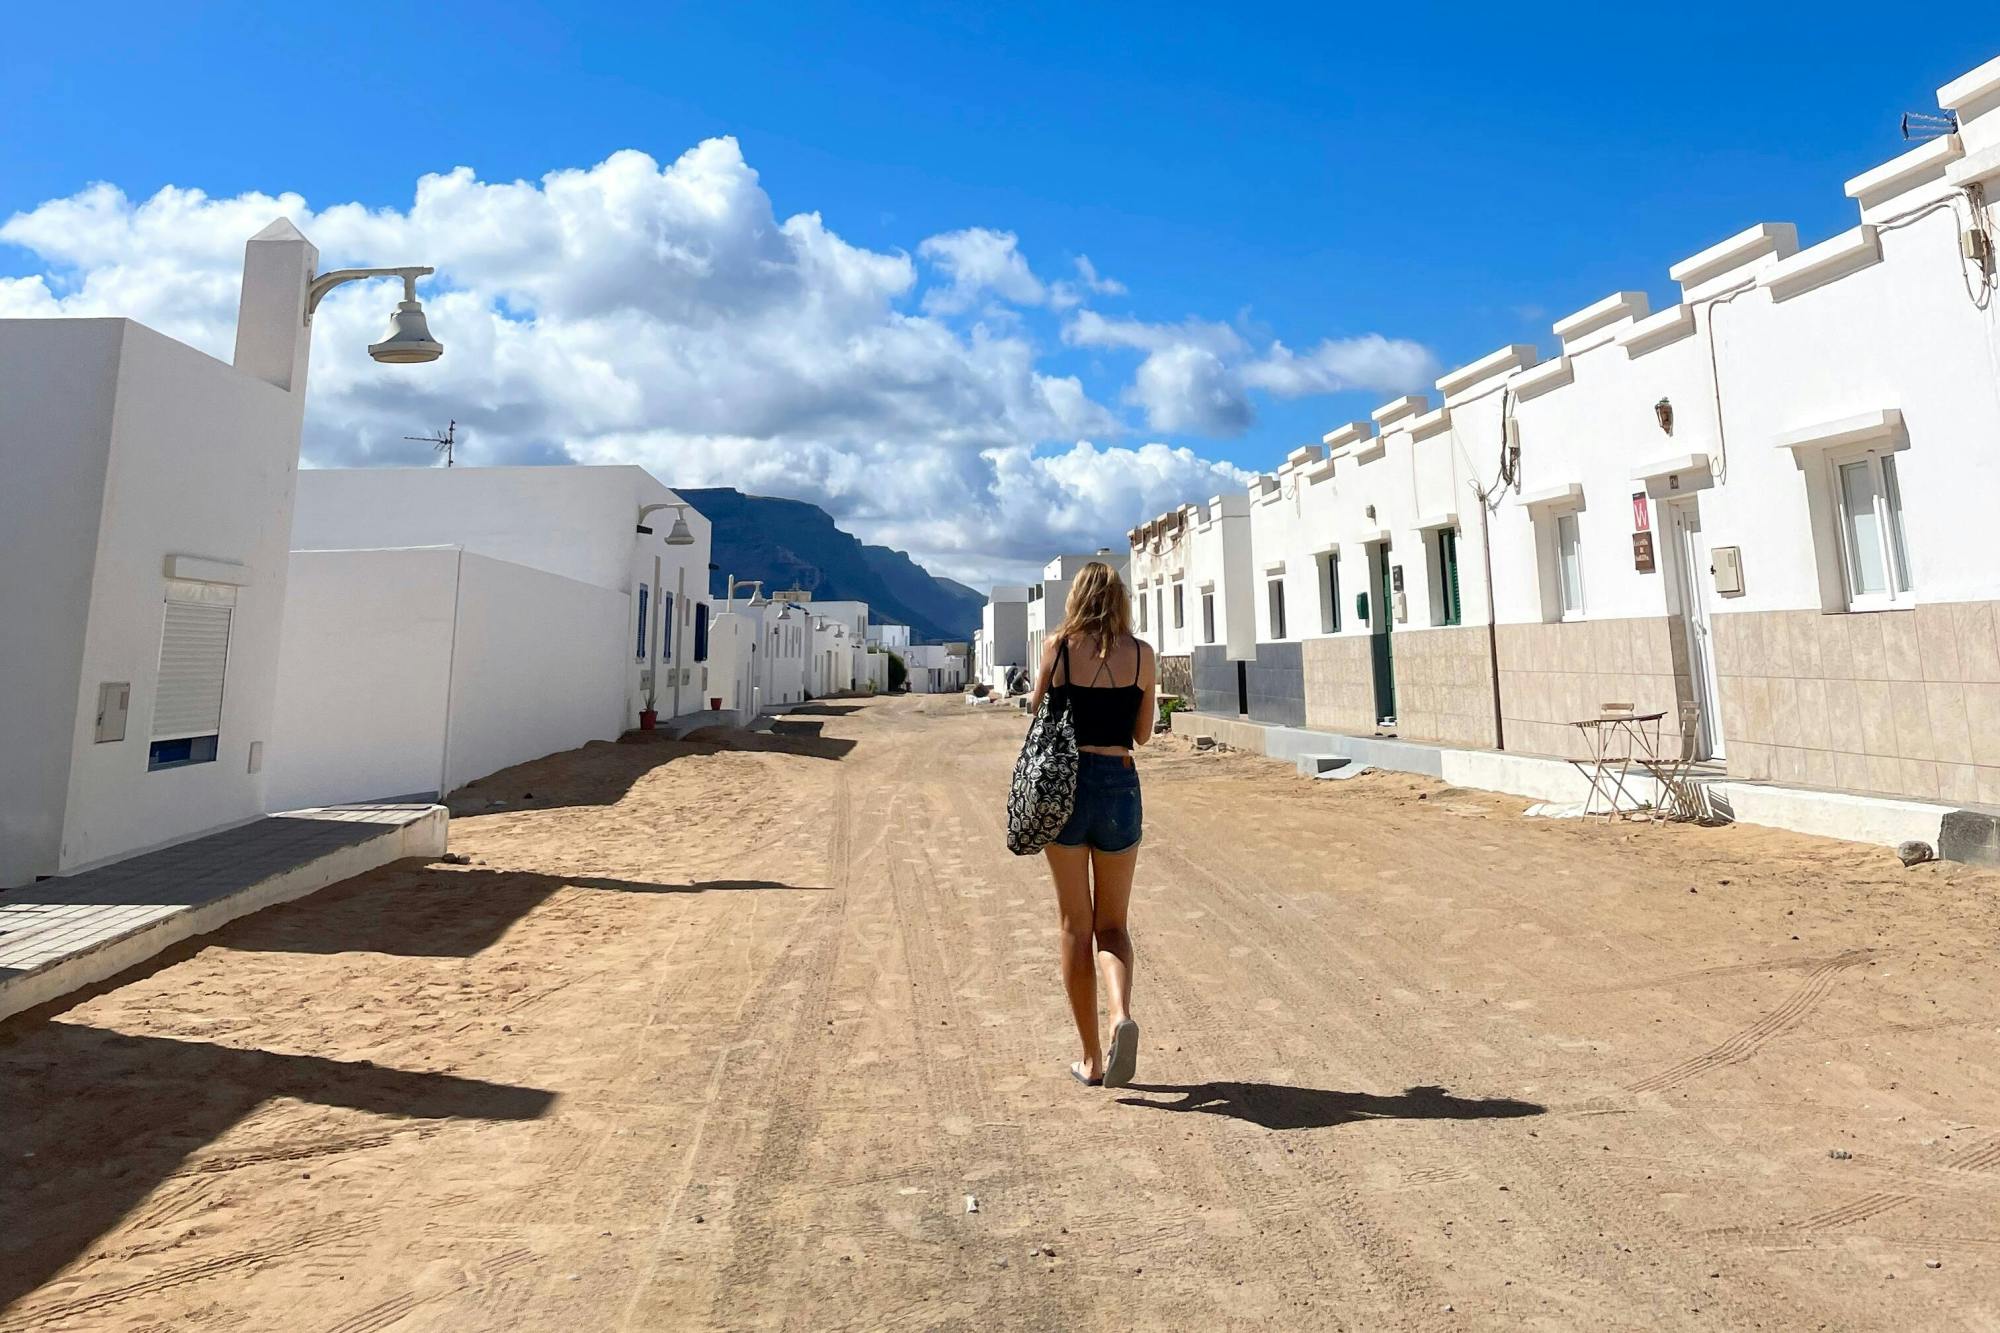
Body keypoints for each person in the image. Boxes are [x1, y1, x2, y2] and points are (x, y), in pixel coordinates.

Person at [1026, 561, 1157, 1088]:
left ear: (1076, 597)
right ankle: (1120, 1016)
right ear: (1120, 598)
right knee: (1113, 926)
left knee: (1074, 927)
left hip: (1066, 789)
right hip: (1119, 783)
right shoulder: (1142, 655)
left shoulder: (1057, 647)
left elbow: (1037, 711)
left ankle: (1091, 1059)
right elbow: (1142, 735)